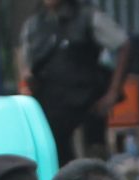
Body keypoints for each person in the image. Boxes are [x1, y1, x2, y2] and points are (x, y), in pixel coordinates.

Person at [21, 0, 132, 164]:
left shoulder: (89, 16)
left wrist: (113, 92)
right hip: (50, 111)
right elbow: (26, 64)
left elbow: (124, 45)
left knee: (91, 167)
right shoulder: (34, 25)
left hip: (86, 109)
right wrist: (28, 78)